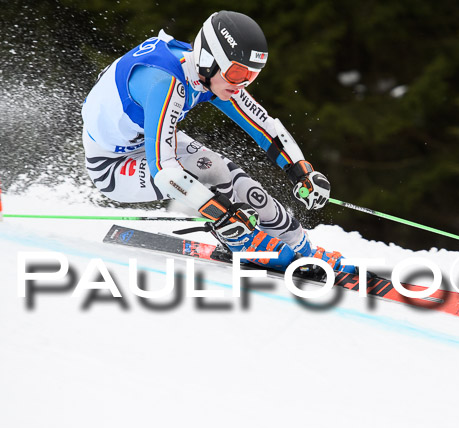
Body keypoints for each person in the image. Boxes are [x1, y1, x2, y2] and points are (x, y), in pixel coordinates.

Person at [81, 10, 354, 273]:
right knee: (208, 172)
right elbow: (164, 172)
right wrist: (221, 215)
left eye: (252, 75)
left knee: (225, 172)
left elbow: (264, 127)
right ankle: (241, 241)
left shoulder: (207, 75)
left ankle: (300, 245)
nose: (242, 84)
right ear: (209, 59)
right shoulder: (166, 83)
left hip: (144, 141)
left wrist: (301, 170)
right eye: (237, 73)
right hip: (112, 165)